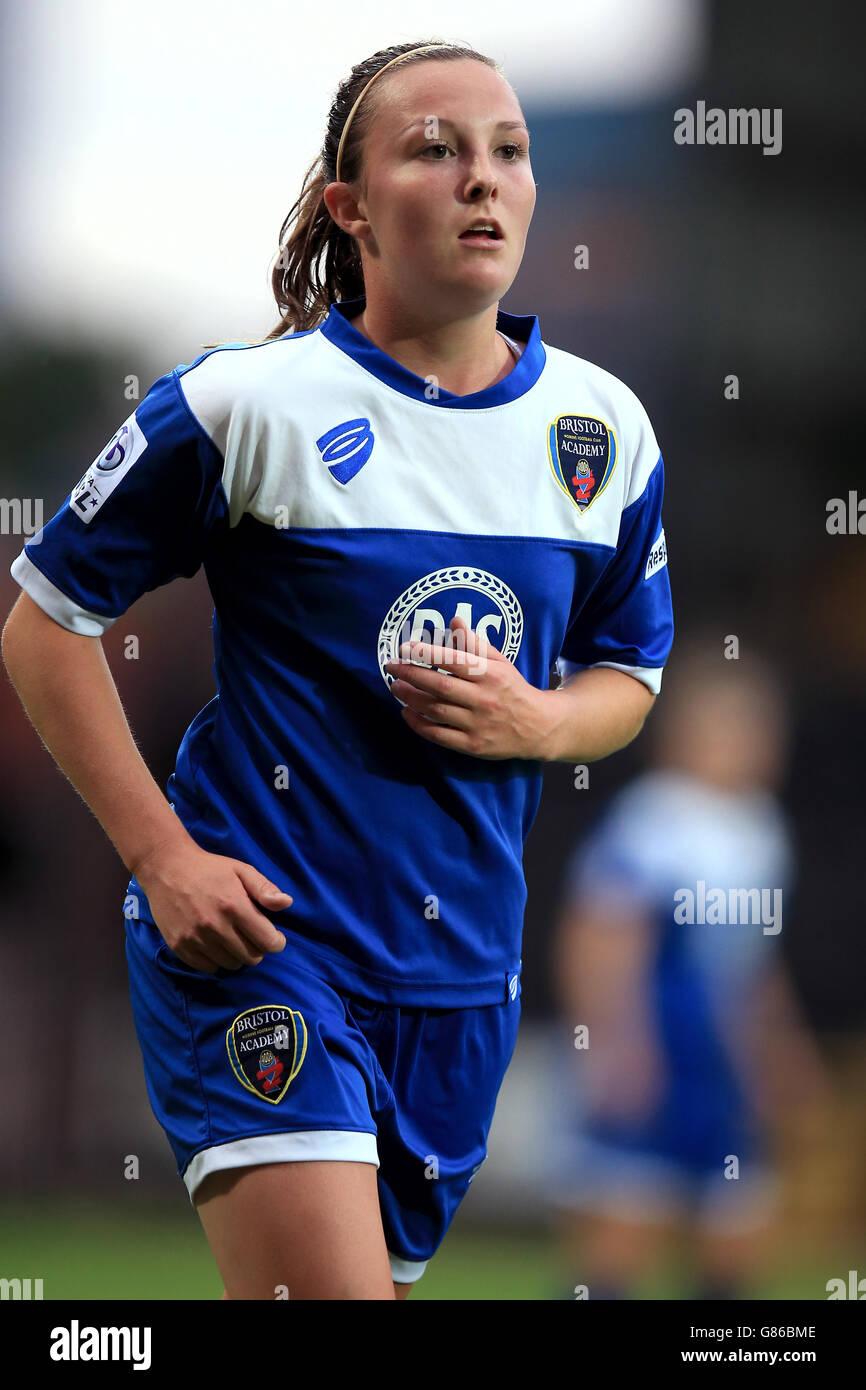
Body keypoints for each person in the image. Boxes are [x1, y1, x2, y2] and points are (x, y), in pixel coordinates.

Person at [1, 38, 673, 1300]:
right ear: (348, 208)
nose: (484, 179)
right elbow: (43, 623)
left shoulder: (602, 431)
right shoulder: (244, 405)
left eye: (508, 151)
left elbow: (626, 677)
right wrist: (160, 855)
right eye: (436, 149)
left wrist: (535, 719)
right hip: (262, 943)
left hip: (461, 979)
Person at [548, 641, 829, 1299]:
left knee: (735, 1239)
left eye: (760, 726)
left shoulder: (763, 831)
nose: (751, 742)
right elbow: (596, 936)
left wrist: (781, 1056)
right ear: (685, 732)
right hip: (655, 1056)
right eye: (732, 725)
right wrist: (614, 1046)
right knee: (618, 1244)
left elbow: (752, 963)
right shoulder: (654, 818)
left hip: (720, 1066)